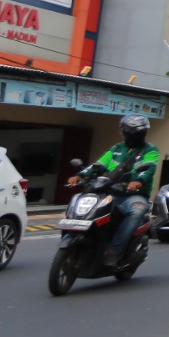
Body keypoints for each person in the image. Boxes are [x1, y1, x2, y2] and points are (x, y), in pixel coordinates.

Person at [67, 113, 159, 269]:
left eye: (140, 132)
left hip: (133, 195)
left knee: (136, 211)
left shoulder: (150, 150)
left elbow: (149, 168)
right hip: (109, 192)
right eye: (133, 131)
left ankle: (113, 251)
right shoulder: (116, 149)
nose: (137, 135)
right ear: (124, 131)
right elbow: (99, 165)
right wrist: (80, 175)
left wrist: (138, 181)